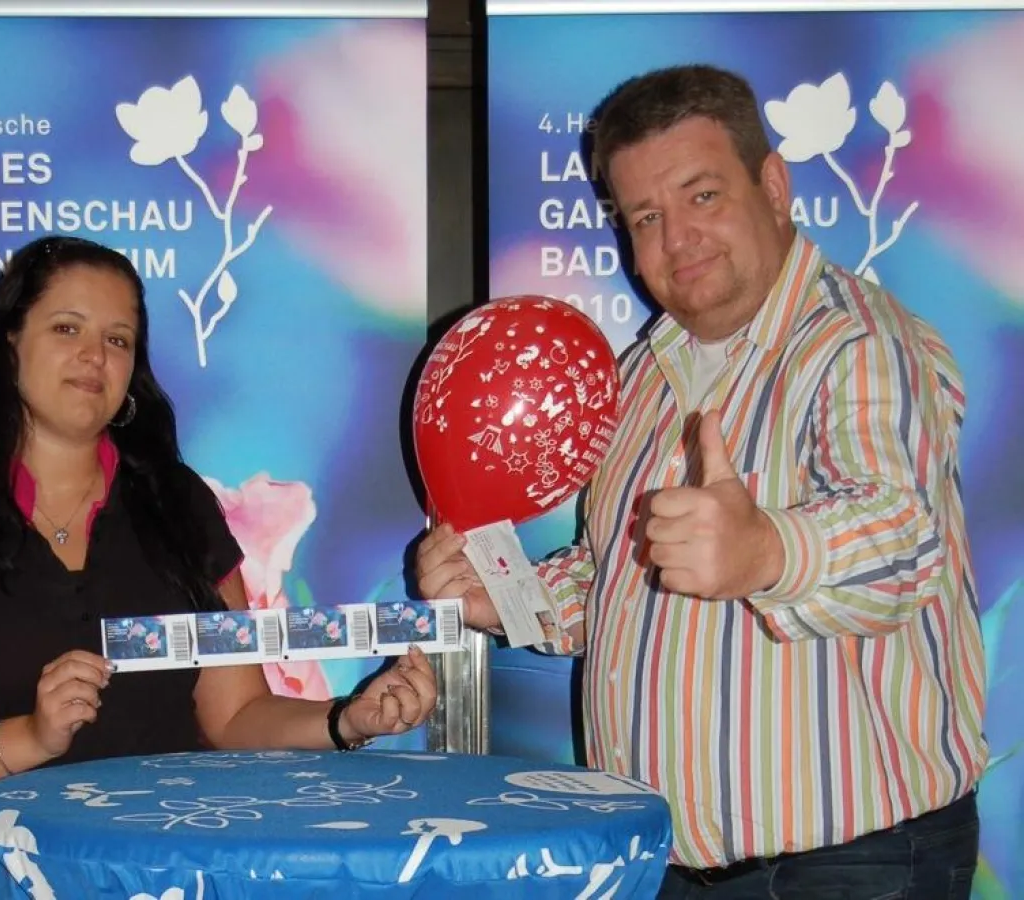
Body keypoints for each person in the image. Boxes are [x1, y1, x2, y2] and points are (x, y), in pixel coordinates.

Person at [416, 65, 986, 898]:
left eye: (702, 196)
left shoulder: (860, 342)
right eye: (646, 216)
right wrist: (501, 598)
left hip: (849, 865)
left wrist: (767, 552)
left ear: (772, 187)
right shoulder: (641, 374)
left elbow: (900, 542)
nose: (676, 238)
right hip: (665, 861)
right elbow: (614, 580)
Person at [0, 235, 437, 900]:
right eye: (67, 328)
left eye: (118, 339)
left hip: (159, 881)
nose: (94, 356)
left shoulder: (181, 506)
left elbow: (235, 715)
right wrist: (30, 738)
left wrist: (346, 720)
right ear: (9, 342)